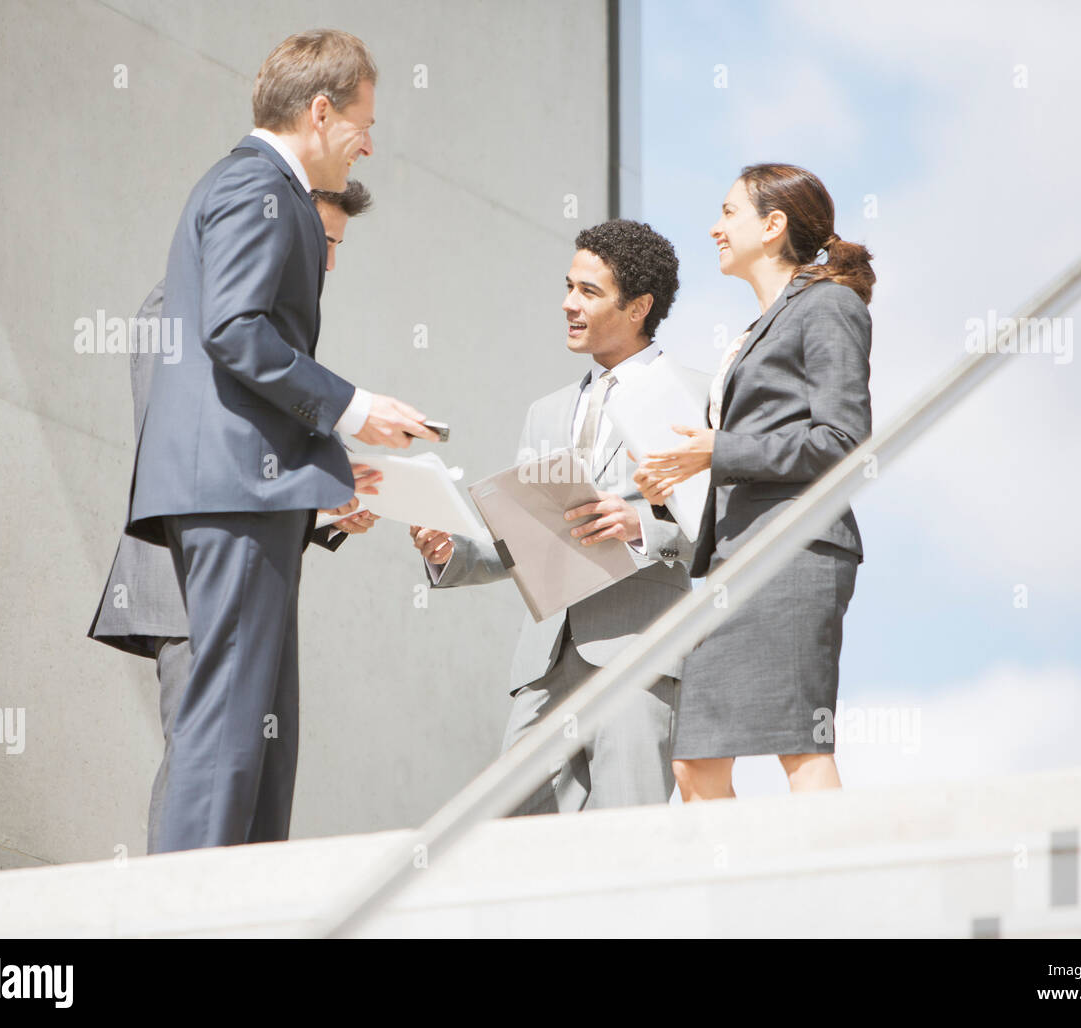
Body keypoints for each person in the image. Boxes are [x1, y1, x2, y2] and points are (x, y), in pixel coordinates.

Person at [124, 29, 438, 852]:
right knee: (230, 716)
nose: (369, 144)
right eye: (364, 124)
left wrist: (327, 477)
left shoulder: (257, 189)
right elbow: (237, 333)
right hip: (232, 495)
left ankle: (237, 905)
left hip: (249, 496)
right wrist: (352, 407)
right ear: (321, 111)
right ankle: (189, 912)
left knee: (262, 727)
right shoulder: (259, 187)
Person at [88, 183, 379, 854]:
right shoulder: (182, 311)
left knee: (259, 787)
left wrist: (327, 500)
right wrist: (321, 471)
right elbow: (201, 453)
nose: (328, 264)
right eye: (324, 243)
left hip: (258, 574)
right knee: (206, 775)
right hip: (191, 578)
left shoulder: (260, 329)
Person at [410, 220, 709, 814]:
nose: (569, 304)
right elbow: (531, 537)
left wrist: (642, 530)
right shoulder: (545, 413)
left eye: (589, 292)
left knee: (625, 834)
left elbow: (724, 532)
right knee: (508, 829)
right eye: (569, 287)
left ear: (640, 307)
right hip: (545, 664)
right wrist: (453, 552)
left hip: (639, 651)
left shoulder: (697, 395)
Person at [634, 164, 874, 801]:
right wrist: (684, 477)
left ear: (773, 226)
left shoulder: (829, 305)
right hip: (738, 561)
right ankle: (738, 892)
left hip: (793, 554)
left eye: (729, 212)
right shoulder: (755, 330)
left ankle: (834, 886)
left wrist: (720, 450)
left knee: (799, 747)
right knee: (696, 764)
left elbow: (844, 442)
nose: (714, 228)